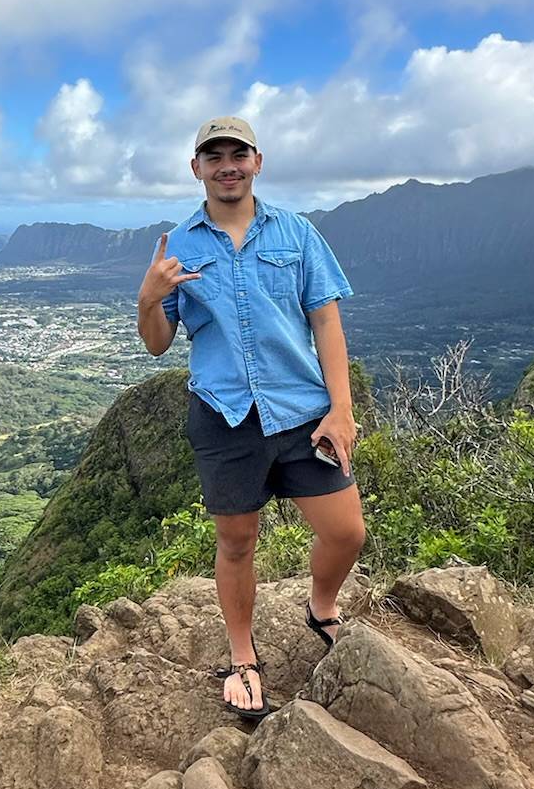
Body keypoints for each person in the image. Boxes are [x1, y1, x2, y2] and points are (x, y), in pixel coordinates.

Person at [136, 117, 365, 722]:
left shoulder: (297, 232)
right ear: (197, 169)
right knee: (237, 542)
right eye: (215, 156)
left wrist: (342, 410)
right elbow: (158, 343)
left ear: (257, 162)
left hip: (301, 412)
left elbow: (326, 322)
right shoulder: (179, 244)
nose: (227, 165)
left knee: (346, 531)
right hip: (224, 416)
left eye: (238, 154)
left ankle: (322, 608)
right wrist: (148, 297)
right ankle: (244, 657)